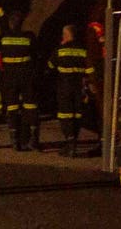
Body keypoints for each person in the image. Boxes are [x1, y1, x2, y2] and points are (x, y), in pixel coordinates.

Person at [48, 24, 91, 156]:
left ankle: (70, 142)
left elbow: (50, 66)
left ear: (66, 36)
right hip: (79, 88)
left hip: (64, 88)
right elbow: (89, 70)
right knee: (77, 115)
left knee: (65, 116)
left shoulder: (60, 50)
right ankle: (74, 142)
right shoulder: (83, 50)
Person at [0, 12, 36, 149]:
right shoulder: (29, 37)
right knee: (30, 106)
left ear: (10, 24)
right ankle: (33, 138)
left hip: (9, 77)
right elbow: (36, 54)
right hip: (26, 76)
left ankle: (14, 139)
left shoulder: (3, 38)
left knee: (12, 107)